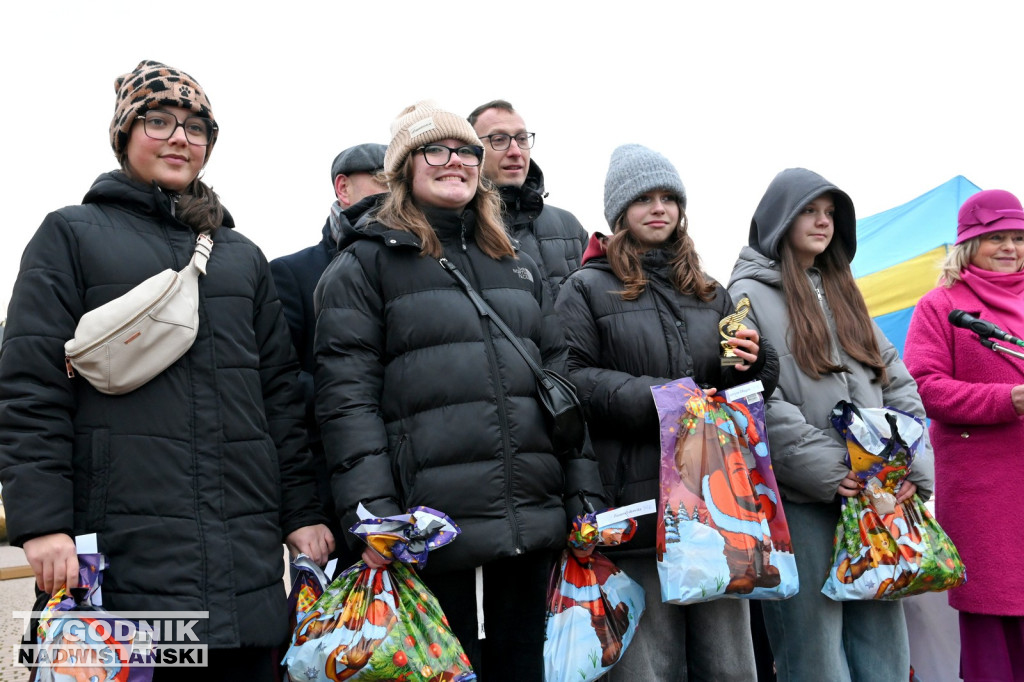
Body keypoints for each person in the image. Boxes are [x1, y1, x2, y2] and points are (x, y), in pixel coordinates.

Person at [0, 60, 332, 679]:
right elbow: (28, 389)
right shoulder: (69, 235)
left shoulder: (241, 258)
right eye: (159, 121)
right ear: (124, 134)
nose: (181, 137)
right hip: (122, 558)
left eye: (196, 127)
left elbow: (280, 400)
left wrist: (303, 512)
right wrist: (44, 523)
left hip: (245, 563)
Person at [313, 100, 605, 681]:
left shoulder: (515, 262)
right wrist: (374, 516)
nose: (457, 163)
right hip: (434, 532)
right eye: (437, 150)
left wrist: (584, 495)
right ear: (404, 168)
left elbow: (558, 389)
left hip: (531, 528)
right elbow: (347, 401)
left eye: (467, 151)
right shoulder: (363, 266)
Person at [555, 144, 778, 681]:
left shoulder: (710, 291)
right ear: (619, 214)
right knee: (649, 668)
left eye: (668, 198)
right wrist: (668, 400)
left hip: (716, 507)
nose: (659, 209)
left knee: (729, 667)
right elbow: (571, 379)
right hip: (638, 503)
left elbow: (749, 389)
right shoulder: (585, 287)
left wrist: (754, 363)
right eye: (643, 200)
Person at [728, 167, 935, 682]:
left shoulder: (846, 291)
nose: (823, 222)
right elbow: (755, 396)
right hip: (803, 500)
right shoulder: (744, 296)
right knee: (813, 650)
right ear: (779, 218)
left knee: (883, 647)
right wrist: (830, 468)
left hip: (877, 495)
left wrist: (905, 465)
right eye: (810, 211)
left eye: (830, 214)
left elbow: (899, 383)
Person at [903, 189, 1024, 682]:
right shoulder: (941, 306)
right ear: (967, 244)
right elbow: (923, 387)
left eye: (1018, 237)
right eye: (997, 237)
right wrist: (1005, 400)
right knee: (992, 626)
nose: (1011, 248)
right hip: (984, 494)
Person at [271, 142, 386, 561]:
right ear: (344, 188)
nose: (395, 193)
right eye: (382, 181)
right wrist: (358, 395)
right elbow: (280, 380)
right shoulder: (292, 273)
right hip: (330, 489)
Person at [469, 100, 588, 299]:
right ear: (471, 151)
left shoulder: (569, 227)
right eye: (499, 139)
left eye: (522, 139)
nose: (516, 151)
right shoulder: (457, 228)